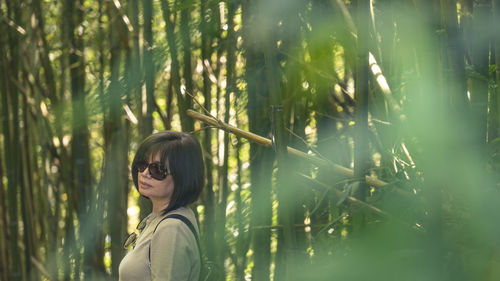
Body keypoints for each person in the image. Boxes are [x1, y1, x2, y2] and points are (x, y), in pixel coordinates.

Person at [119, 131, 204, 281]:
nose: (145, 173)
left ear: (182, 177)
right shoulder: (160, 218)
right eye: (143, 164)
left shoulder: (171, 228)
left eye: (157, 170)